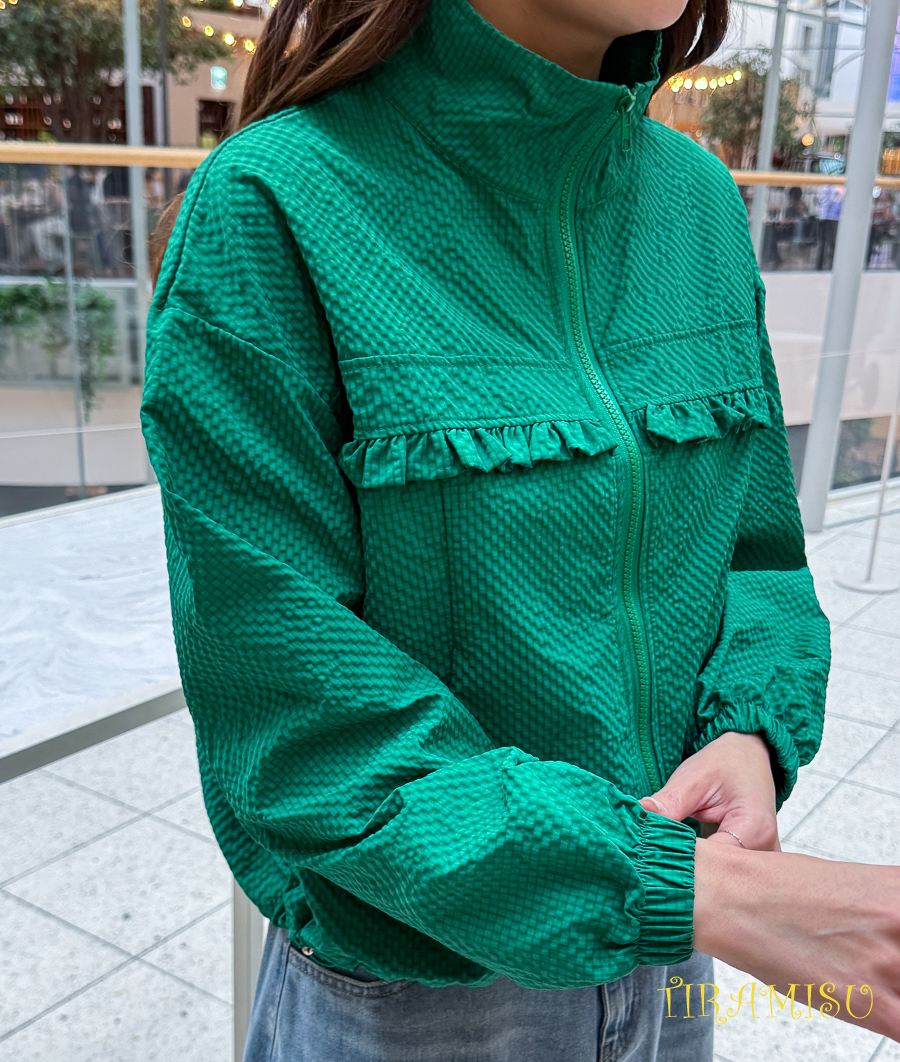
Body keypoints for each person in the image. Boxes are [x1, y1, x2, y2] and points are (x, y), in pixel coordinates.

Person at [141, 0, 900, 1058]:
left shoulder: (696, 202)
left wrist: (750, 733)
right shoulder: (276, 204)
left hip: (679, 939)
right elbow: (296, 712)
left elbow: (754, 549)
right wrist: (693, 890)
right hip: (421, 988)